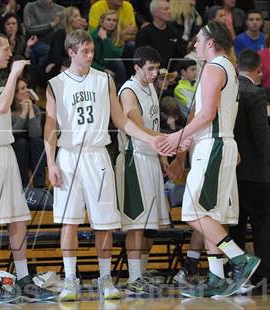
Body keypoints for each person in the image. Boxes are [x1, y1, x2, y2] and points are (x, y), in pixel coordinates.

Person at [44, 29, 165, 301]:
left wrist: (150, 138)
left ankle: (105, 278)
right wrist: (50, 163)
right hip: (69, 156)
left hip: (97, 155)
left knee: (105, 224)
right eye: (85, 52)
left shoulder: (104, 80)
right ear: (71, 52)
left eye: (92, 51)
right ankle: (70, 280)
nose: (90, 56)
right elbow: (50, 126)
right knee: (69, 223)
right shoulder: (56, 84)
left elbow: (121, 121)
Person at [160, 21, 260, 298]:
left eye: (198, 41)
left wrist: (178, 136)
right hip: (220, 142)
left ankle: (240, 259)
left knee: (192, 211)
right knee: (210, 215)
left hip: (214, 146)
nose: (194, 45)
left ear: (211, 43)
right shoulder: (228, 67)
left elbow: (206, 116)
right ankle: (217, 277)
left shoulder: (214, 68)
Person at [0, 32, 55, 303]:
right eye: (5, 49)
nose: (10, 53)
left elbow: (4, 112)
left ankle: (25, 279)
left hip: (5, 149)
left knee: (19, 218)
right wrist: (16, 76)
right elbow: (1, 106)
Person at [229, 48, 270, 285]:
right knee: (264, 224)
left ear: (237, 67)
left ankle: (236, 274)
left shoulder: (228, 90)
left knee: (236, 225)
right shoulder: (255, 93)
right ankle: (265, 275)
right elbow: (262, 135)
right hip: (255, 172)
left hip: (233, 171)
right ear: (258, 71)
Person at [115, 46, 171, 295]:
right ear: (136, 67)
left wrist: (162, 157)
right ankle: (133, 278)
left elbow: (153, 125)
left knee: (150, 225)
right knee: (136, 223)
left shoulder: (151, 88)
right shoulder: (128, 91)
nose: (155, 72)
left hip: (150, 158)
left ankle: (142, 273)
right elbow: (137, 126)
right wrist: (171, 139)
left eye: (157, 68)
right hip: (133, 158)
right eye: (150, 68)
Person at [11, 78, 46, 188]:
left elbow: (36, 134)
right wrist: (23, 113)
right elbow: (13, 133)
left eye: (27, 87)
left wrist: (30, 111)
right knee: (21, 143)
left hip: (31, 143)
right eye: (23, 89)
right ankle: (23, 185)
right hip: (15, 143)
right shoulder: (7, 110)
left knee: (38, 142)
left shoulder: (35, 108)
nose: (27, 90)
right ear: (15, 94)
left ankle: (40, 185)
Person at [136, 0, 186, 69]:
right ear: (155, 13)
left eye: (169, 8)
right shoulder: (144, 33)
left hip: (172, 74)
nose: (169, 11)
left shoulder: (174, 32)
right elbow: (142, 59)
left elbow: (179, 56)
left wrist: (176, 72)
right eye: (166, 9)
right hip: (151, 73)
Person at [89, 10, 125, 88]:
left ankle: (122, 92)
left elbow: (116, 55)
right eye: (108, 19)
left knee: (117, 62)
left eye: (114, 20)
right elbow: (89, 61)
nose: (111, 22)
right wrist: (103, 70)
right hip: (96, 67)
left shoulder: (119, 36)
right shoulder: (91, 36)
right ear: (101, 21)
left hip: (110, 65)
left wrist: (105, 40)